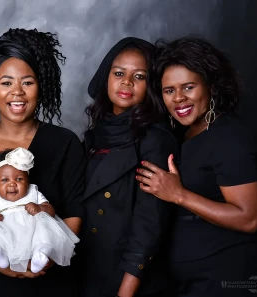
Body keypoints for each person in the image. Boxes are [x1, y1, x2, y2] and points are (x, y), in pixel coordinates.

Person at [0, 28, 85, 297]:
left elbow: (74, 210)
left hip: (48, 280)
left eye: (28, 82)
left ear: (40, 88)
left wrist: (43, 262)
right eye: (6, 83)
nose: (17, 92)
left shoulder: (65, 143)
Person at [137, 37, 257, 297]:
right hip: (189, 282)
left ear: (211, 85)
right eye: (169, 90)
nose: (179, 98)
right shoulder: (185, 134)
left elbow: (249, 218)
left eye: (189, 87)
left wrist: (178, 194)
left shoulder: (228, 137)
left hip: (228, 279)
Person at [79, 37, 178, 297]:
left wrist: (125, 293)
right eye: (119, 73)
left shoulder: (155, 139)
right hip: (88, 269)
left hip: (128, 279)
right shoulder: (95, 135)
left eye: (140, 76)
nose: (127, 82)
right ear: (106, 77)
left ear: (152, 85)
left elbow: (150, 226)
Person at [0, 147, 80, 273]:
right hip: (7, 234)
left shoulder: (33, 193)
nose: (12, 184)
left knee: (44, 232)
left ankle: (41, 252)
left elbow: (50, 211)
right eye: (5, 180)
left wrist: (39, 208)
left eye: (19, 179)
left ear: (27, 182)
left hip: (32, 230)